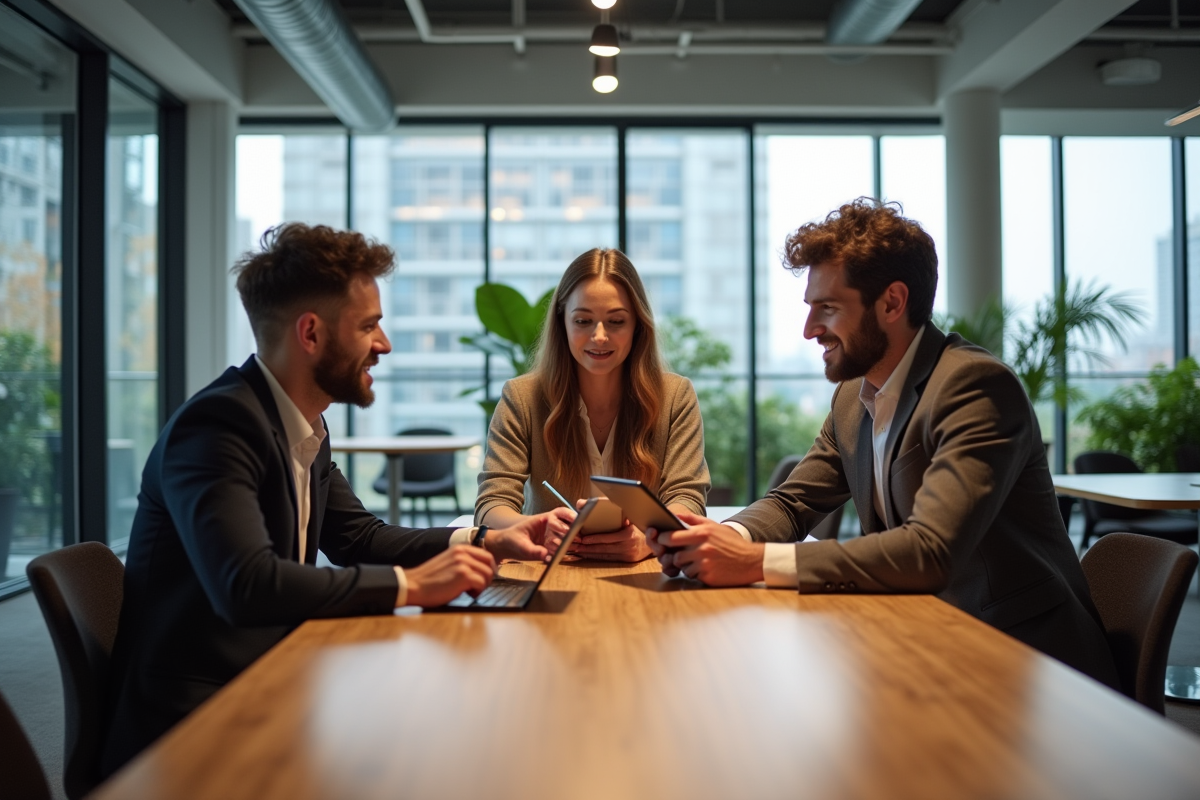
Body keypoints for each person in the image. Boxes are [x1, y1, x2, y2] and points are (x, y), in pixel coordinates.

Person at [101, 224, 552, 775]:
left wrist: (487, 538)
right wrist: (413, 585)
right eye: (369, 326)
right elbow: (247, 586)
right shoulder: (218, 425)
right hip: (193, 726)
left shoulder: (301, 423)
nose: (384, 345)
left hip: (268, 677)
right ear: (311, 333)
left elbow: (358, 537)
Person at [645, 199, 1120, 688]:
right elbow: (792, 503)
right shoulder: (854, 396)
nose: (809, 330)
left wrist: (756, 562)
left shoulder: (975, 386)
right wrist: (729, 538)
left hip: (1030, 666)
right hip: (925, 641)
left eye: (827, 309)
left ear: (892, 303)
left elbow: (928, 551)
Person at [476, 248, 710, 562]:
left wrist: (649, 540)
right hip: (550, 570)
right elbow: (492, 505)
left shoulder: (675, 396)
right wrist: (533, 528)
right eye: (583, 320)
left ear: (637, 325)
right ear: (563, 322)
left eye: (615, 322)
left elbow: (687, 498)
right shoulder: (522, 397)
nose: (599, 337)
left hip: (645, 576)